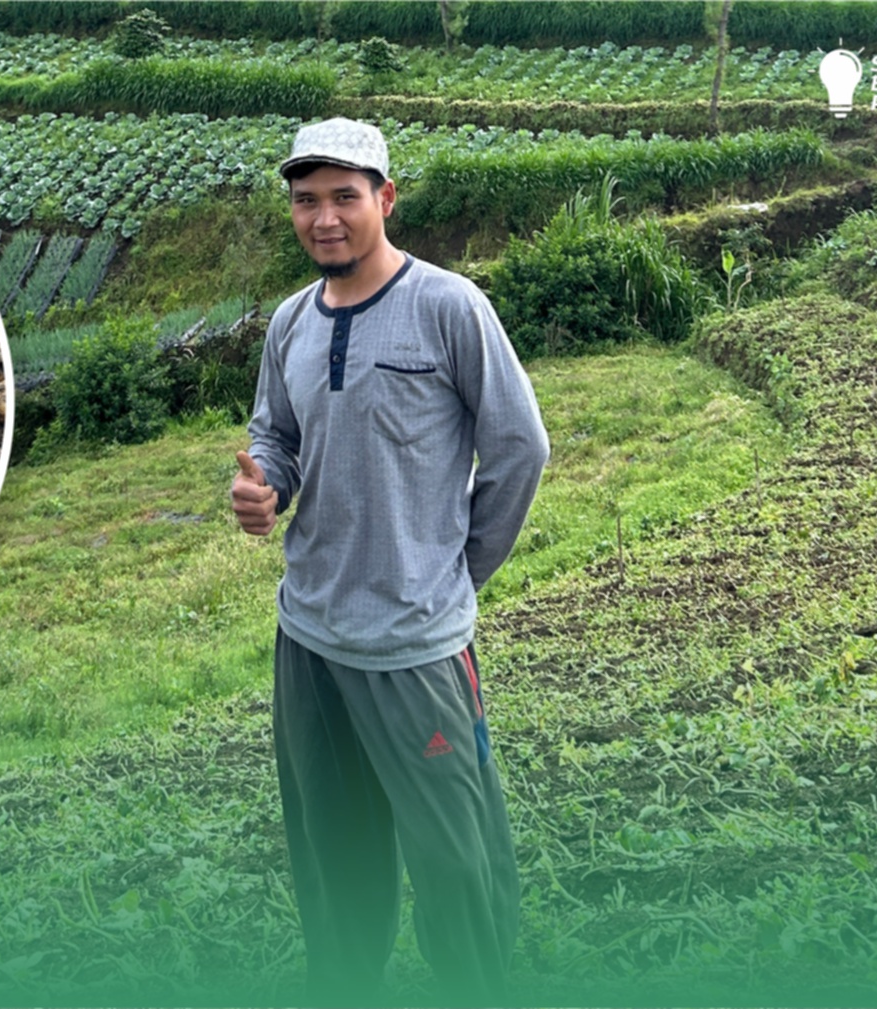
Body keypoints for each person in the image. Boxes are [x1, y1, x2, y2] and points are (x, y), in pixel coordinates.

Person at [230, 117, 550, 1005]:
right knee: (333, 862)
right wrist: (267, 491)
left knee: (457, 860)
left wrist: (452, 573)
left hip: (415, 650)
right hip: (310, 638)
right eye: (306, 200)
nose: (323, 218)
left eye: (343, 196)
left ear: (385, 199)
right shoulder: (290, 321)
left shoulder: (449, 307)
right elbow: (277, 435)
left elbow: (521, 449)